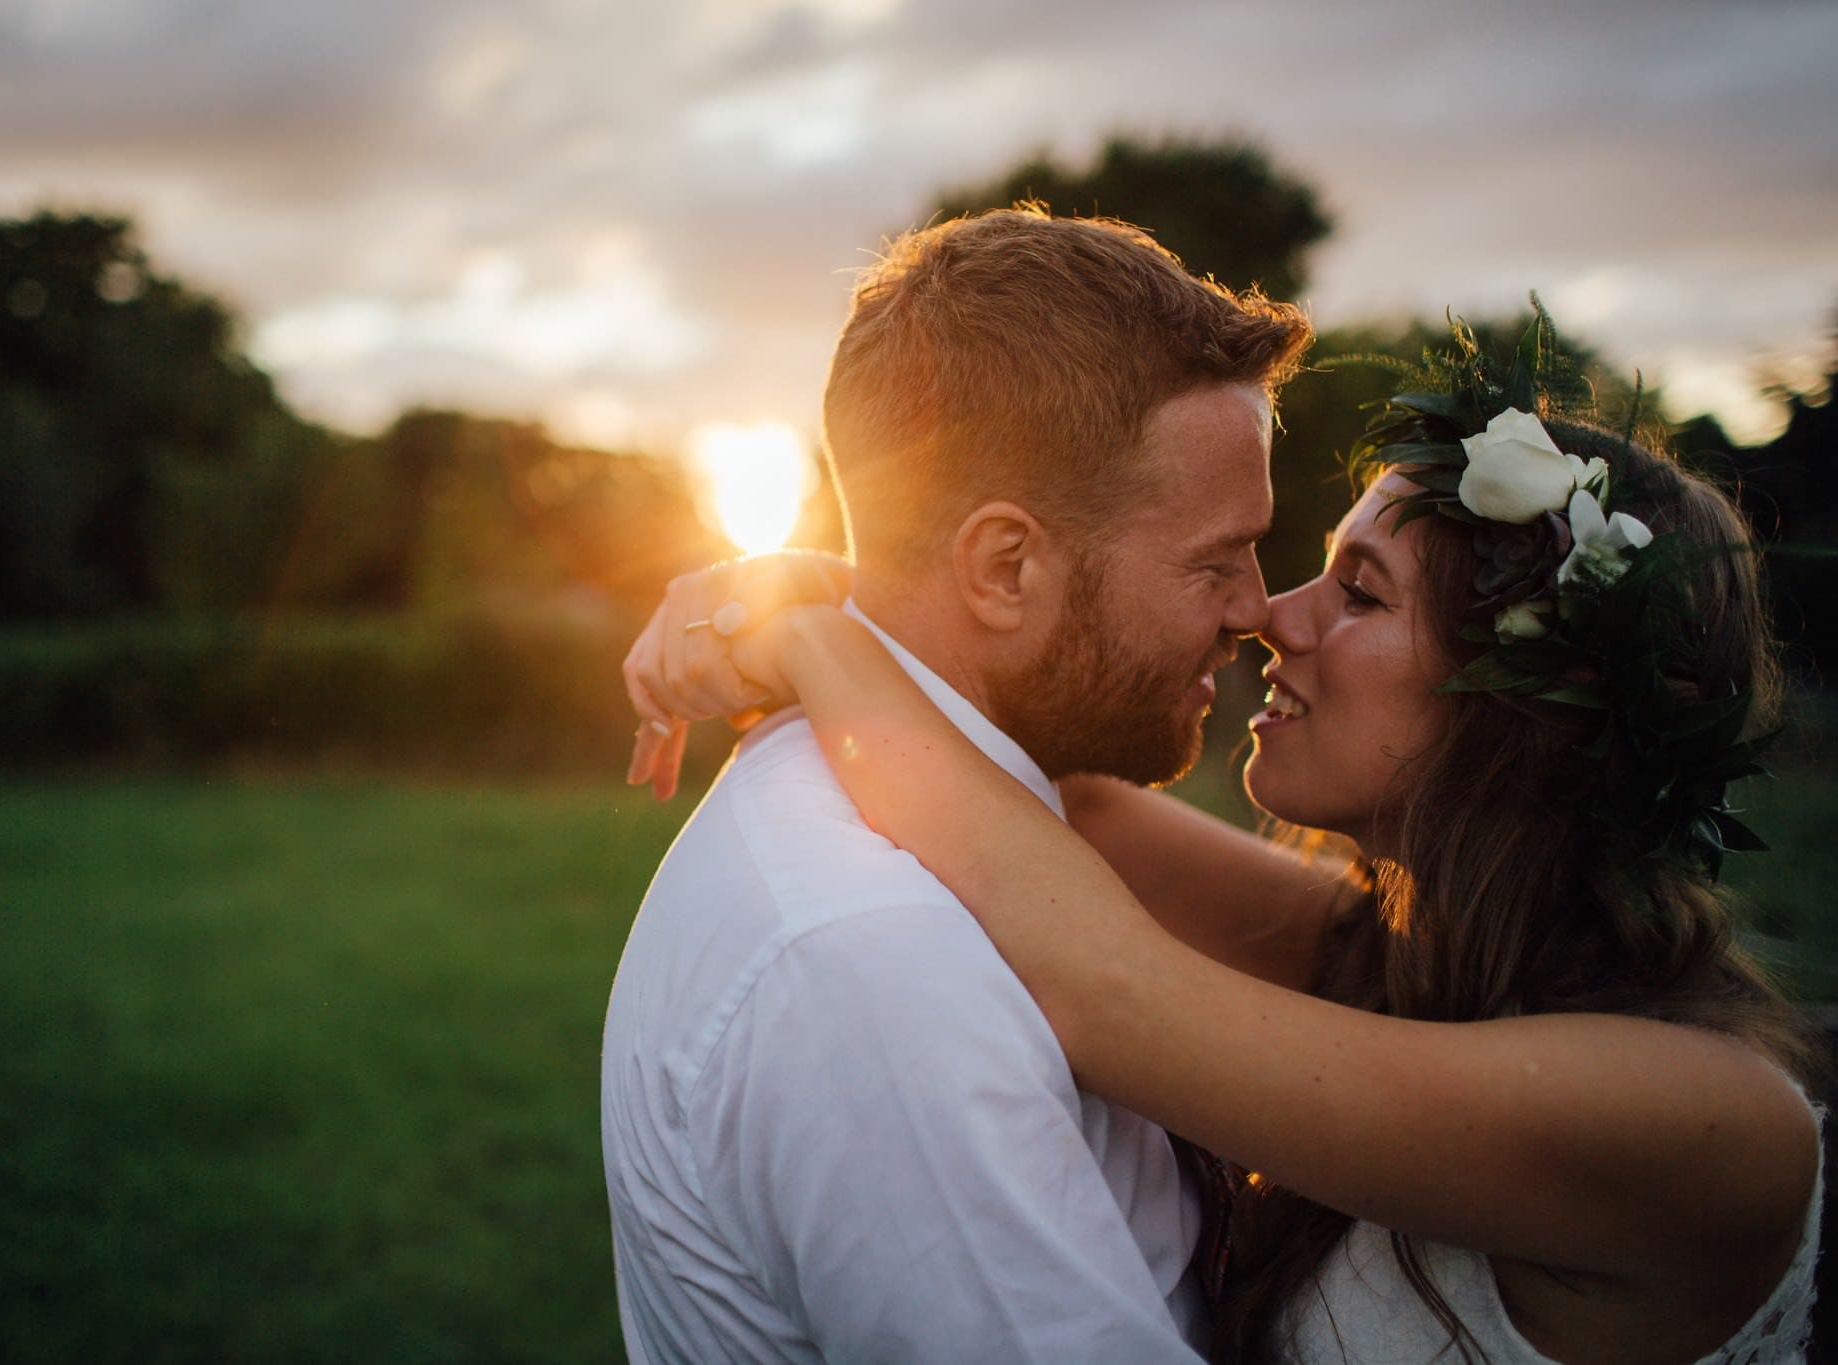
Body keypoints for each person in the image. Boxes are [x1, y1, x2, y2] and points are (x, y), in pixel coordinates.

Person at [624, 315, 1826, 1362]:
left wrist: (811, 637)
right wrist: (867, 582)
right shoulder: (1395, 955)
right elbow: (1063, 797)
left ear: (1514, 711)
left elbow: (1104, 984)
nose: (1267, 618)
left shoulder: (1705, 1124)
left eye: (1355, 594)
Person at [600, 207, 1311, 1362]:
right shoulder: (876, 963)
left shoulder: (952, 814)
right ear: (1003, 567)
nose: (1255, 611)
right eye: (1214, 560)